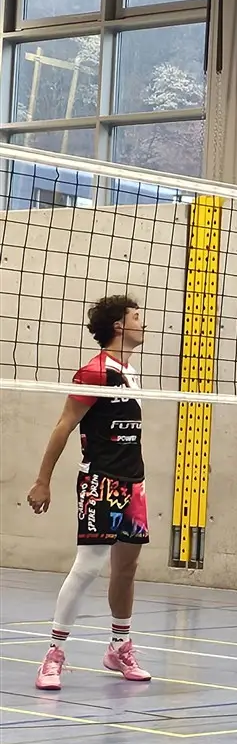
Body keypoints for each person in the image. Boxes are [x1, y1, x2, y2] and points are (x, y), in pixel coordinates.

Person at [27, 294, 152, 690]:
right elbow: (63, 426)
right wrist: (43, 480)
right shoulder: (94, 373)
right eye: (136, 317)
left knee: (127, 568)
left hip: (134, 483)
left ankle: (119, 647)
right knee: (88, 568)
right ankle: (53, 655)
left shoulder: (131, 373)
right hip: (101, 481)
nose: (143, 322)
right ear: (118, 325)